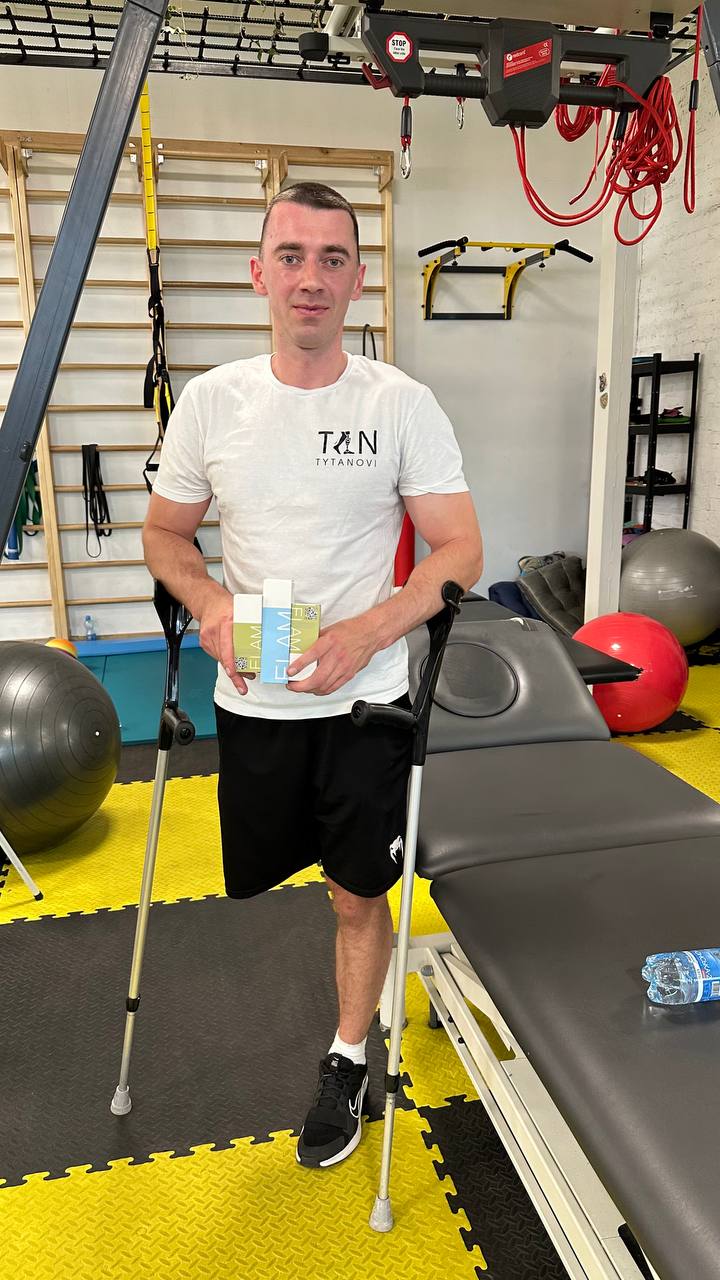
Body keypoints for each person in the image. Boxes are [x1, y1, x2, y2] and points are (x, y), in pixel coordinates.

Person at [143, 180, 484, 1170]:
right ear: (260, 273)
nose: (311, 277)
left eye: (332, 258)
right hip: (254, 696)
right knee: (265, 881)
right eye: (291, 256)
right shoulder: (212, 402)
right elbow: (166, 535)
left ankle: (348, 1055)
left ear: (357, 279)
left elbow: (460, 547)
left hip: (366, 701)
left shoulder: (399, 403)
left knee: (355, 894)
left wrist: (370, 630)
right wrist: (209, 603)